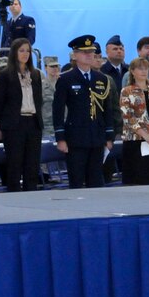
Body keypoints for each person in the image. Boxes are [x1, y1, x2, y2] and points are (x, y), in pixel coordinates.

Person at [53, 35, 116, 189]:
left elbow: (107, 109)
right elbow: (58, 109)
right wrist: (60, 137)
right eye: (84, 52)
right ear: (75, 55)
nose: (89, 55)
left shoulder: (101, 79)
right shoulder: (66, 79)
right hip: (76, 137)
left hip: (97, 136)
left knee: (96, 181)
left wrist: (109, 136)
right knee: (77, 180)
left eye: (91, 51)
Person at [0, 37, 44, 191]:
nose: (25, 54)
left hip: (33, 123)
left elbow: (39, 100)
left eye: (28, 51)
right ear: (14, 53)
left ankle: (31, 193)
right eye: (21, 50)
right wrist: (0, 124)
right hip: (14, 125)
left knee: (32, 165)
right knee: (15, 165)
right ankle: (14, 196)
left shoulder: (35, 74)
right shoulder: (5, 75)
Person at [119, 57, 149, 185]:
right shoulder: (127, 91)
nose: (143, 71)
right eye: (140, 68)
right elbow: (128, 117)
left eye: (146, 68)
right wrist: (145, 135)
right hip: (135, 140)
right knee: (136, 179)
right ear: (132, 71)